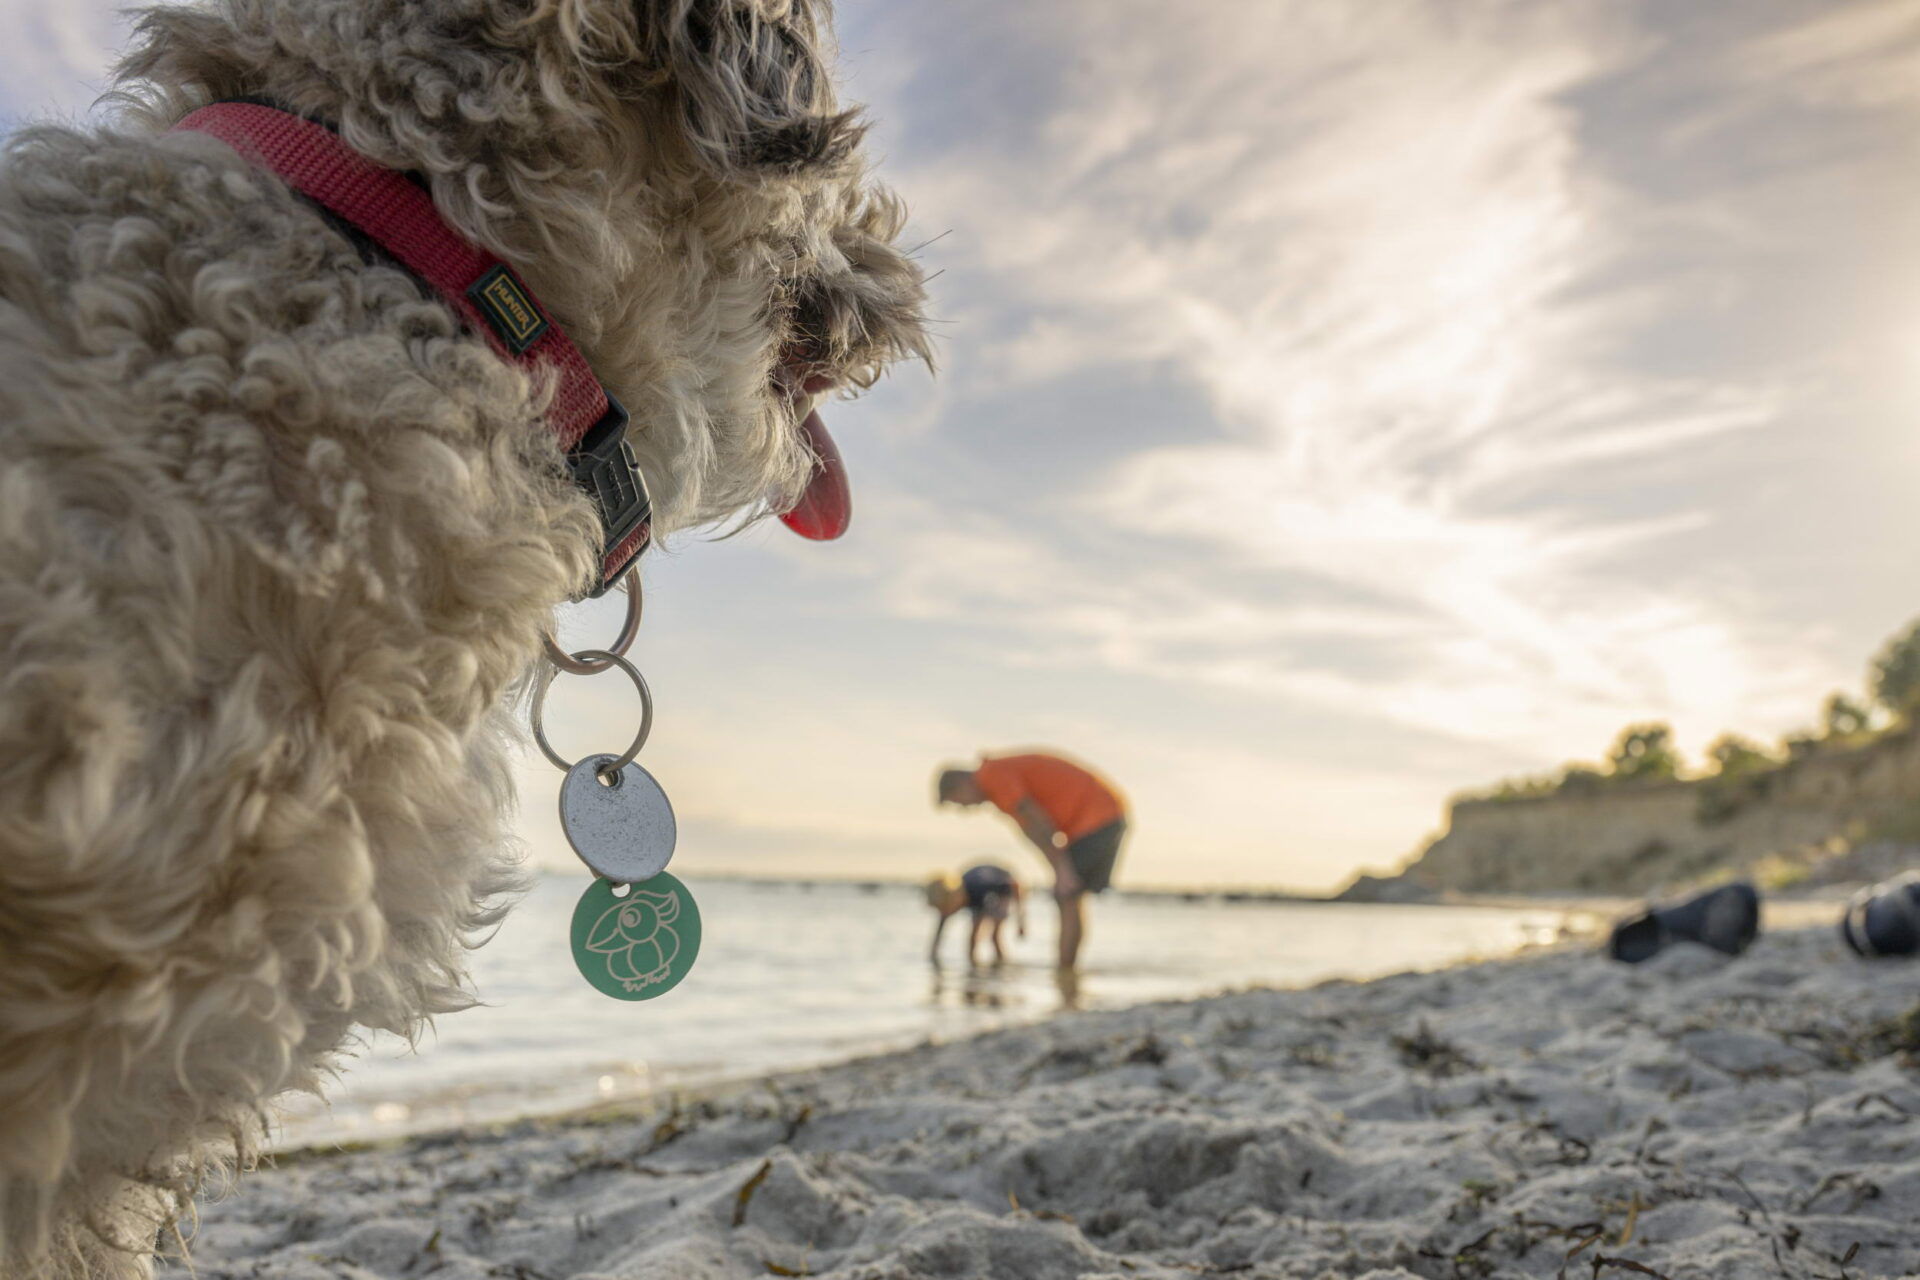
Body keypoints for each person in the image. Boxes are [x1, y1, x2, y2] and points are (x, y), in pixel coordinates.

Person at [935, 751, 1129, 970]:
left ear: (960, 785)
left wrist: (1062, 869)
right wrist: (1058, 868)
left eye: (960, 804)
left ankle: (1065, 972)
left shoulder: (992, 776)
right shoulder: (997, 782)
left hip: (1096, 815)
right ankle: (1068, 978)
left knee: (1067, 895)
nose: (966, 810)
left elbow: (1036, 822)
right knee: (1070, 896)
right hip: (1096, 815)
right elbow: (1031, 829)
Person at [925, 864, 1027, 966]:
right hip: (980, 889)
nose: (945, 913)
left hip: (1004, 887)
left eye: (946, 908)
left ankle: (1002, 965)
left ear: (954, 898)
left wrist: (1020, 921)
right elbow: (938, 934)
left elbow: (1015, 885)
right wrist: (932, 955)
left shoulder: (979, 888)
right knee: (973, 937)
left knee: (994, 935)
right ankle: (974, 965)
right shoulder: (948, 899)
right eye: (941, 909)